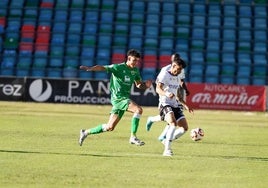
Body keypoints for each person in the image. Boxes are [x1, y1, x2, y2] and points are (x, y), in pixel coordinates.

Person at [78, 49, 152, 147]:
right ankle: (133, 137)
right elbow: (103, 68)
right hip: (118, 98)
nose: (136, 63)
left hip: (123, 99)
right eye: (134, 60)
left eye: (137, 61)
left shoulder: (135, 70)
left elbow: (138, 85)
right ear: (128, 58)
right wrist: (90, 69)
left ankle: (85, 132)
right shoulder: (118, 67)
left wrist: (145, 85)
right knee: (138, 110)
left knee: (110, 127)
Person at [152, 55, 193, 156]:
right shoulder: (164, 75)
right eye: (178, 69)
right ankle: (167, 150)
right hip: (164, 104)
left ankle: (167, 140)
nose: (179, 72)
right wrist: (166, 94)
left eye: (181, 70)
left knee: (184, 128)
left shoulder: (178, 76)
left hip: (175, 105)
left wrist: (185, 105)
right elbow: (157, 89)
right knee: (173, 123)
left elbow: (178, 94)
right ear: (173, 66)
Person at [146, 53, 190, 132]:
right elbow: (158, 84)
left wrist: (185, 90)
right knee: (171, 118)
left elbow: (181, 81)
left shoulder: (180, 71)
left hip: (174, 98)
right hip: (165, 96)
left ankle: (152, 120)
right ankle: (164, 138)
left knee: (168, 118)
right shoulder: (165, 70)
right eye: (173, 59)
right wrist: (166, 92)